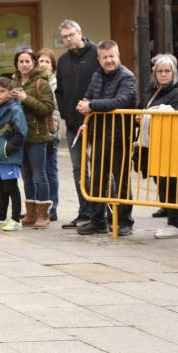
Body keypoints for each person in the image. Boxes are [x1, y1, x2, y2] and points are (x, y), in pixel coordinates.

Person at [76, 40, 137, 235]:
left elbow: (122, 101)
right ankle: (97, 221)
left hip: (120, 136)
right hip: (100, 134)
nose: (109, 60)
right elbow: (89, 95)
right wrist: (84, 103)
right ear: (99, 59)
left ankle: (125, 221)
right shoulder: (97, 75)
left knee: (121, 180)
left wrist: (92, 105)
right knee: (97, 179)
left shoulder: (127, 77)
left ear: (118, 56)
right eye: (105, 57)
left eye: (112, 56)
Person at [135, 54, 178, 239]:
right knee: (161, 182)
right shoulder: (152, 89)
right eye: (160, 71)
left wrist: (152, 116)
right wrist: (139, 117)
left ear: (174, 72)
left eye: (167, 71)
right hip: (154, 144)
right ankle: (171, 219)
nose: (163, 74)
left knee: (169, 182)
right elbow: (142, 107)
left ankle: (175, 224)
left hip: (169, 145)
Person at [55, 20, 100, 228]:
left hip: (98, 122)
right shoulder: (63, 60)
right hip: (74, 125)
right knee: (78, 169)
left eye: (71, 35)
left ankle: (104, 212)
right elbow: (60, 90)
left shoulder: (97, 53)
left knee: (102, 168)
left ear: (80, 32)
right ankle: (85, 211)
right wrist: (65, 112)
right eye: (64, 37)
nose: (68, 39)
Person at [11, 49, 55, 229]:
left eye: (28, 61)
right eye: (21, 61)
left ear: (34, 63)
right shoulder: (13, 82)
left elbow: (47, 109)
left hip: (36, 136)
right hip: (19, 137)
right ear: (17, 64)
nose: (24, 64)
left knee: (40, 176)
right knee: (27, 178)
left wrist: (25, 98)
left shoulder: (41, 83)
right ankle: (30, 214)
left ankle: (43, 215)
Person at [0, 77, 27, 231]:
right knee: (1, 188)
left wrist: (7, 149)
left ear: (9, 93)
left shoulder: (15, 109)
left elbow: (20, 134)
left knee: (11, 187)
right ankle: (1, 217)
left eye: (2, 91)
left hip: (9, 157)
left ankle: (16, 219)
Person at [37, 48, 60, 221]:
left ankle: (52, 207)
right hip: (34, 130)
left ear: (53, 66)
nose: (44, 64)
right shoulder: (34, 81)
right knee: (36, 172)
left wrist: (54, 129)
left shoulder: (56, 84)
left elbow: (57, 110)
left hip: (50, 131)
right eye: (41, 61)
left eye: (47, 61)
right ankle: (37, 206)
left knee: (50, 171)